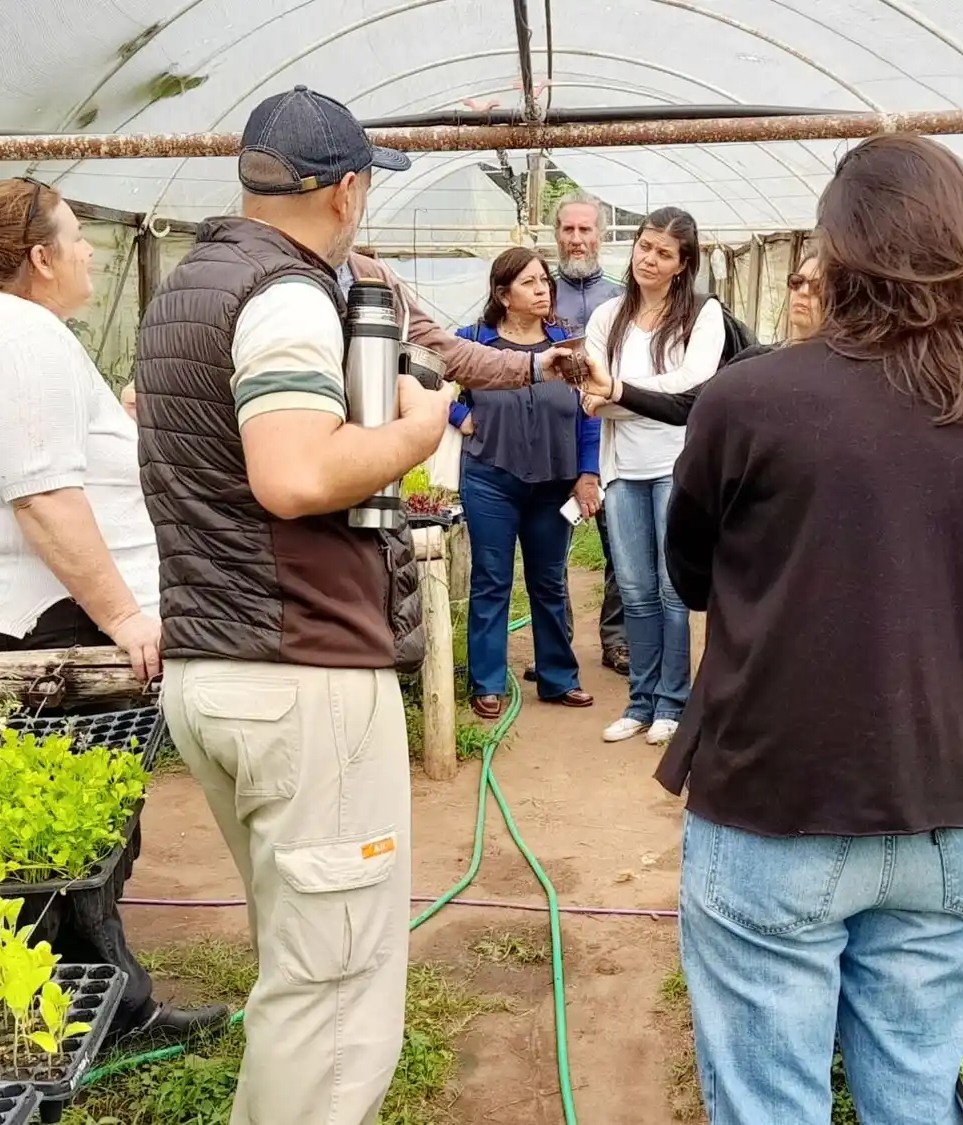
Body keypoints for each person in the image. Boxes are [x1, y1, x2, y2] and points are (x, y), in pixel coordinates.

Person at [135, 85, 587, 1125]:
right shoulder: (288, 295)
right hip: (298, 673)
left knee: (300, 962)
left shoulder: (193, 285)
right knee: (336, 992)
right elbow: (293, 477)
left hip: (217, 663)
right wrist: (417, 431)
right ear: (346, 189)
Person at [658, 133, 963, 1125]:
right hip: (947, 807)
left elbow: (691, 572)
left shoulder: (750, 400)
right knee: (914, 1098)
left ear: (838, 253)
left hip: (778, 802)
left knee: (769, 1099)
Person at [0, 176, 229, 1045]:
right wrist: (125, 615)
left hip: (9, 609)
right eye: (78, 236)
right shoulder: (18, 341)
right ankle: (94, 1012)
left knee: (48, 826)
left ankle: (49, 998)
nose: (90, 251)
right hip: (53, 621)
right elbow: (43, 496)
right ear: (41, 259)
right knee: (78, 833)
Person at [585, 207, 724, 746]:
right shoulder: (607, 317)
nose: (649, 259)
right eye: (645, 246)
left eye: (664, 253)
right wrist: (646, 395)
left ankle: (674, 701)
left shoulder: (702, 315)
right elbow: (590, 400)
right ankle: (640, 701)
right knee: (636, 591)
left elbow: (695, 392)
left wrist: (619, 390)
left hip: (676, 468)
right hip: (622, 469)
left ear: (682, 263)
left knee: (672, 592)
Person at [449, 247, 599, 719]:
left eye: (544, 282)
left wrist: (588, 472)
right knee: (492, 579)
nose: (543, 290)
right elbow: (424, 382)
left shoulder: (568, 344)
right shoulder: (472, 342)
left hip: (554, 483)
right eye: (530, 282)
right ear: (503, 294)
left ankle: (558, 677)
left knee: (549, 582)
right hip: (491, 477)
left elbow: (589, 411)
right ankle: (487, 681)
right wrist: (459, 415)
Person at [580, 253, 821, 426]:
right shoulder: (758, 360)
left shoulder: (847, 369)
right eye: (796, 282)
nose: (803, 292)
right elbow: (689, 404)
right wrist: (613, 388)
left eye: (818, 286)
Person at [552, 193, 628, 676]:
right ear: (556, 234)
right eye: (568, 230)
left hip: (610, 438)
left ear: (601, 234)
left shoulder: (623, 298)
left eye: (586, 230)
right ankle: (553, 645)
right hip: (549, 440)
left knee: (619, 544)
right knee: (548, 551)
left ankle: (618, 640)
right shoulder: (536, 290)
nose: (577, 240)